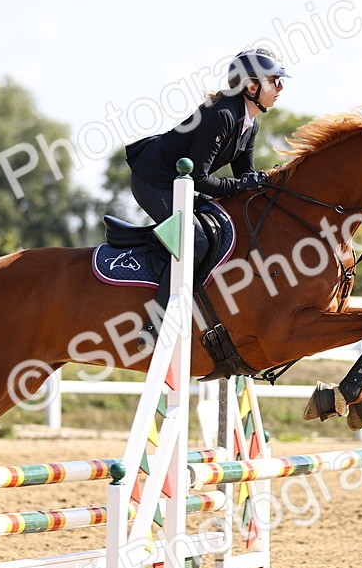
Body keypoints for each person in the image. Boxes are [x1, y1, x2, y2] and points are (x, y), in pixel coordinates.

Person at [124, 48, 290, 346]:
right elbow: (201, 177)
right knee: (195, 239)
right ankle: (156, 323)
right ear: (252, 86)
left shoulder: (249, 122)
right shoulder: (223, 115)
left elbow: (244, 179)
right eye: (274, 81)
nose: (280, 88)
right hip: (154, 181)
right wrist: (244, 184)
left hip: (181, 181)